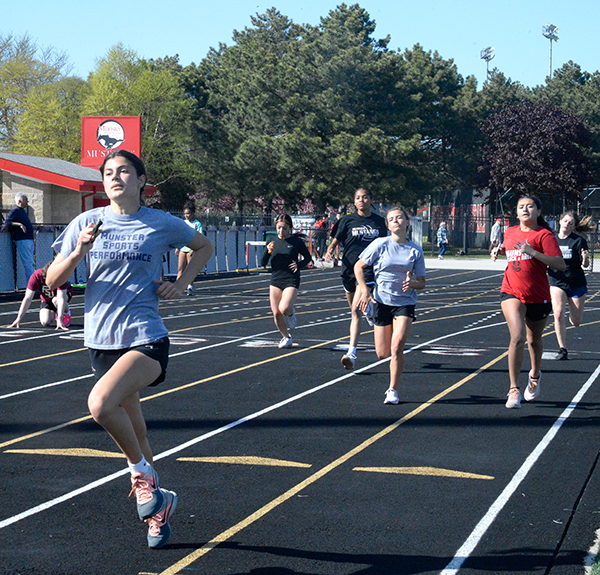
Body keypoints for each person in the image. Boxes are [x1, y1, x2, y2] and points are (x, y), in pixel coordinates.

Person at [46, 150, 214, 549]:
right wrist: (78, 253)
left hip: (145, 337)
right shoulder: (86, 222)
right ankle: (159, 509)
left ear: (141, 181)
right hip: (101, 340)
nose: (115, 177)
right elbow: (53, 279)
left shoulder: (159, 222)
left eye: (124, 171)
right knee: (136, 432)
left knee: (101, 405)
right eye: (108, 172)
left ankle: (142, 478)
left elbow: (203, 247)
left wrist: (182, 281)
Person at [491, 194, 565, 409]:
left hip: (538, 295)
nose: (525, 210)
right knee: (517, 336)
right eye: (521, 207)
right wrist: (499, 251)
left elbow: (559, 264)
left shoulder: (544, 235)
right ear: (516, 212)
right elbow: (510, 250)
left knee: (534, 340)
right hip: (511, 291)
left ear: (538, 212)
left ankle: (534, 375)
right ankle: (513, 389)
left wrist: (533, 252)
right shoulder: (510, 232)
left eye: (530, 206)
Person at [354, 206, 426, 404]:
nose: (395, 221)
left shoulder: (415, 250)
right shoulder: (380, 244)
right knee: (382, 353)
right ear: (387, 224)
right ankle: (372, 315)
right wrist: (365, 291)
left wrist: (413, 284)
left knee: (398, 346)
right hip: (382, 301)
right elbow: (358, 267)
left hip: (405, 303)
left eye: (399, 217)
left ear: (407, 222)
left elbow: (422, 282)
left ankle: (392, 389)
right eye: (391, 219)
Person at [324, 188, 387, 370]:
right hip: (348, 270)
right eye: (358, 198)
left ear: (370, 199)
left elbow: (384, 243)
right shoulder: (347, 220)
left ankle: (351, 353)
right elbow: (336, 238)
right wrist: (330, 249)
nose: (361, 200)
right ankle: (370, 312)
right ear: (354, 201)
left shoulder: (378, 222)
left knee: (354, 311)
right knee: (354, 306)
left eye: (365, 197)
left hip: (368, 270)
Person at [548, 211, 595, 361]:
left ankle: (571, 317)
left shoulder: (578, 241)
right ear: (560, 221)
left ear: (574, 227)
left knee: (576, 322)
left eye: (571, 223)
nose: (567, 224)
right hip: (557, 281)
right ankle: (563, 349)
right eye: (565, 221)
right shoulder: (551, 239)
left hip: (576, 282)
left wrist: (585, 258)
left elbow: (585, 265)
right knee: (558, 313)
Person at [261, 213, 312, 349]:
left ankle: (290, 313)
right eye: (278, 228)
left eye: (284, 228)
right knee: (276, 313)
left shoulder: (296, 242)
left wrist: (298, 265)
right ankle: (286, 337)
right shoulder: (271, 241)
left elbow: (308, 258)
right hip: (276, 279)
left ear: (289, 228)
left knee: (284, 308)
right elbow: (263, 263)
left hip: (291, 278)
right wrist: (267, 252)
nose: (281, 231)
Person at [8, 261, 72, 330]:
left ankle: (66, 312)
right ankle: (56, 311)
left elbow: (61, 298)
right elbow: (27, 298)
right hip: (47, 298)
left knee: (56, 300)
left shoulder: (60, 276)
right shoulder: (36, 276)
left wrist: (60, 319)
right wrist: (18, 318)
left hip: (61, 296)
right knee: (45, 321)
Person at [2, 192, 35, 282]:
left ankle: (32, 283)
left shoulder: (22, 211)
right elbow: (7, 222)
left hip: (27, 239)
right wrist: (19, 224)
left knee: (30, 262)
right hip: (22, 240)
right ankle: (32, 284)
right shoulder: (15, 210)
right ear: (20, 201)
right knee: (28, 263)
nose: (27, 202)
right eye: (25, 200)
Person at [175, 203, 205, 295]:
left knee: (190, 269)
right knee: (180, 268)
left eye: (188, 213)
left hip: (191, 249)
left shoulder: (197, 224)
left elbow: (200, 236)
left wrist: (193, 249)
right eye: (185, 214)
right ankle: (177, 287)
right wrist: (177, 248)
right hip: (183, 248)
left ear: (193, 213)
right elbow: (179, 236)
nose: (186, 216)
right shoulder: (183, 223)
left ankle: (190, 287)